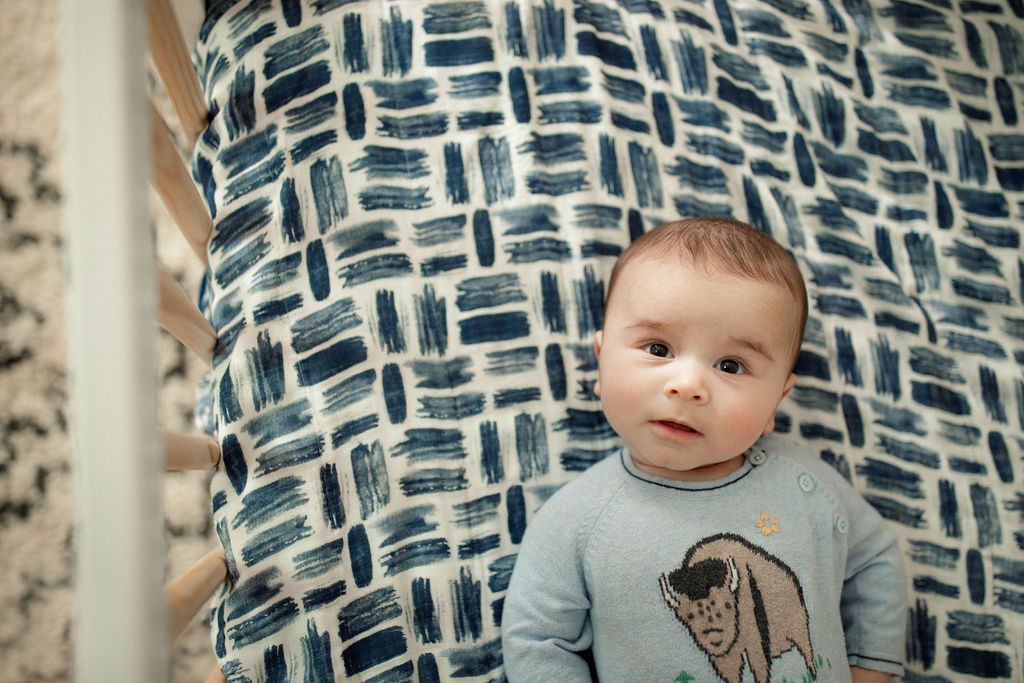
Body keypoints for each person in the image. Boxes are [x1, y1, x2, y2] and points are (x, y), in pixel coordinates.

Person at [501, 218, 906, 683]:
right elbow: (537, 640)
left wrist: (869, 668)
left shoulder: (805, 482)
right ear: (600, 361)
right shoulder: (576, 520)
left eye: (731, 365)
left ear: (777, 400)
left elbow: (874, 559)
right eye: (657, 348)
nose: (688, 385)